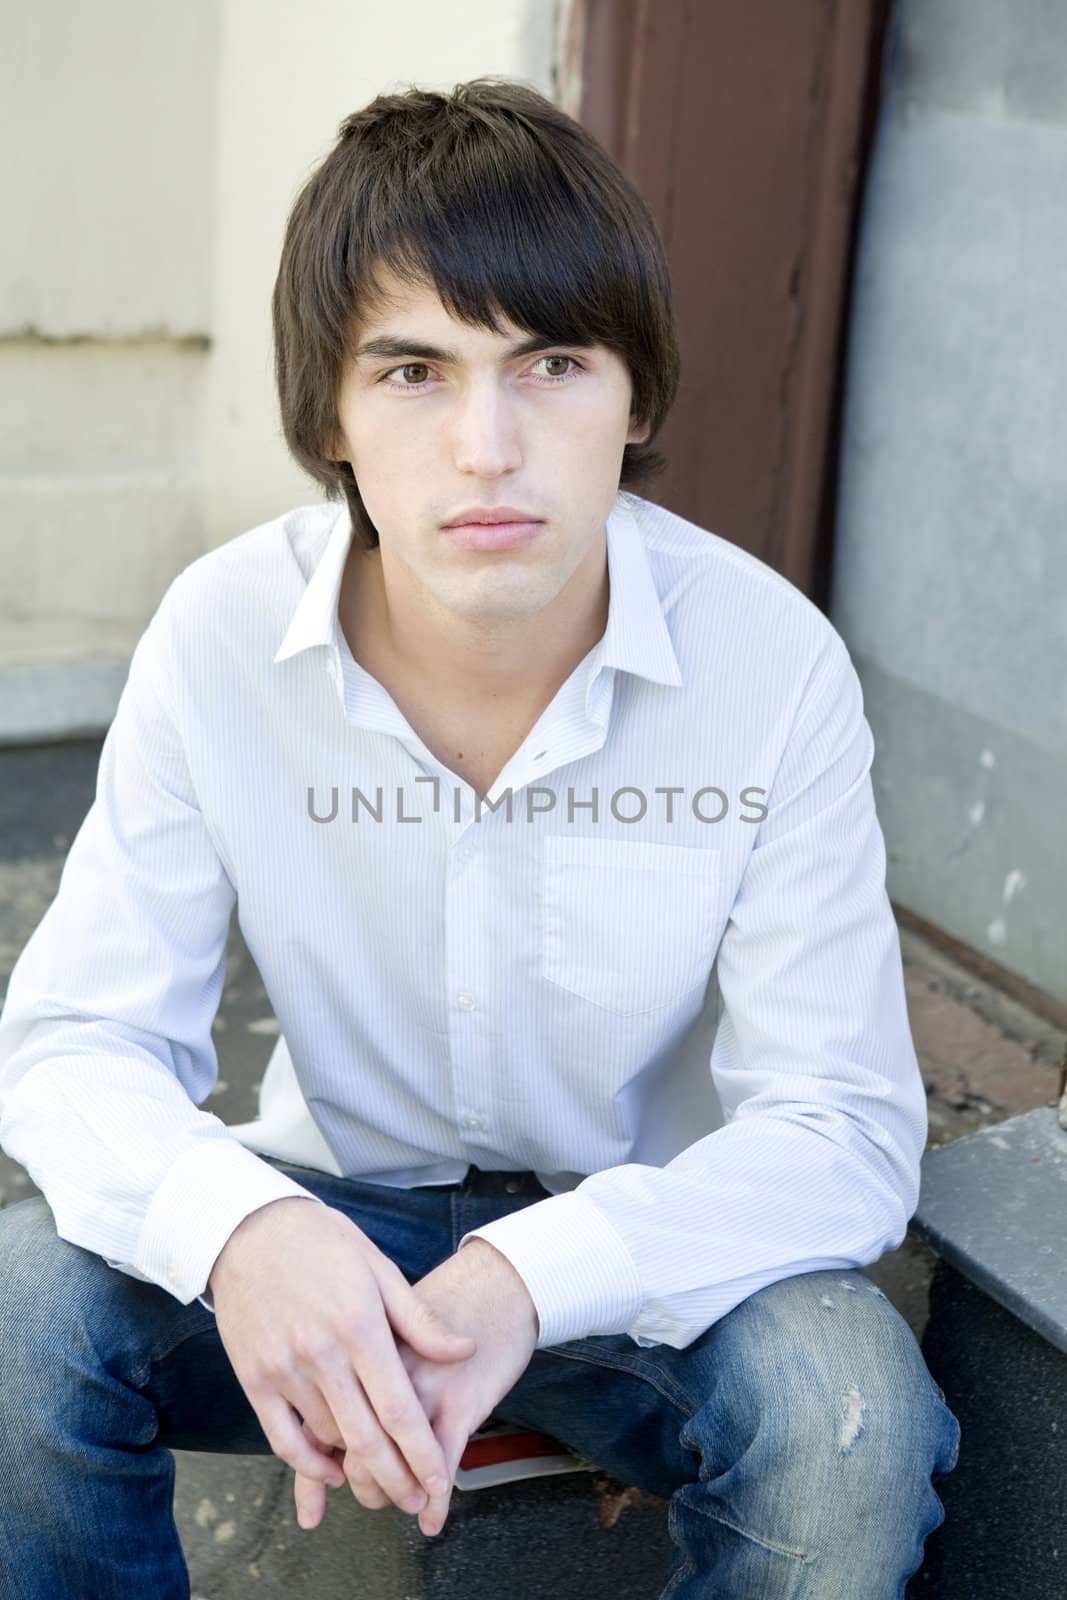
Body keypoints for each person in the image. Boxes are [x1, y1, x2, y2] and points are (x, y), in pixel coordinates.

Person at [0, 75, 960, 1598]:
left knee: (844, 1426)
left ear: (636, 401)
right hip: (334, 1222)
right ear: (329, 410)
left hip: (635, 1266)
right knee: (18, 1316)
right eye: (412, 374)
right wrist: (244, 1229)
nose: (486, 449)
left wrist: (532, 1273)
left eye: (551, 364)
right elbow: (73, 1043)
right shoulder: (221, 637)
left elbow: (839, 1128)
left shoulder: (768, 667)